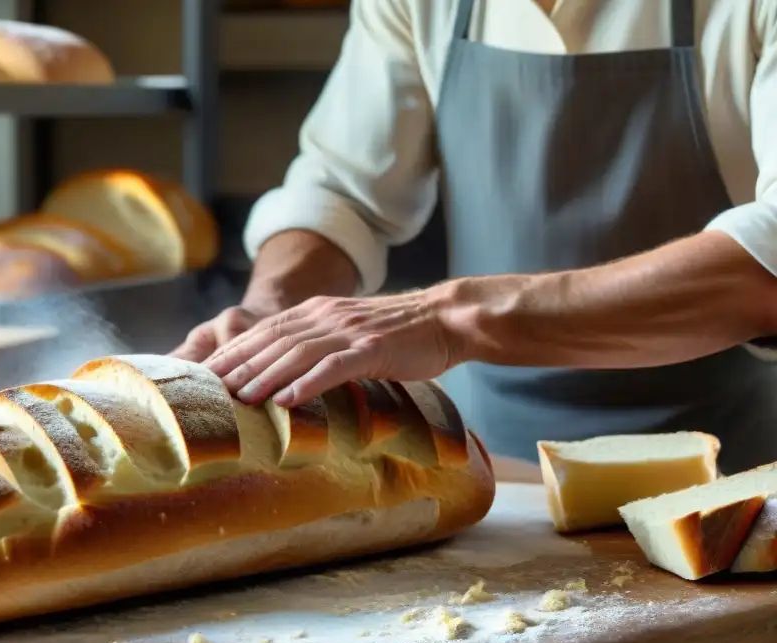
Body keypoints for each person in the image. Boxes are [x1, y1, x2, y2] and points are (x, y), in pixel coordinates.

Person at [172, 0, 777, 474]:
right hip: (497, 477)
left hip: (733, 472)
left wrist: (448, 318)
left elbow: (767, 259)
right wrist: (272, 313)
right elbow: (343, 192)